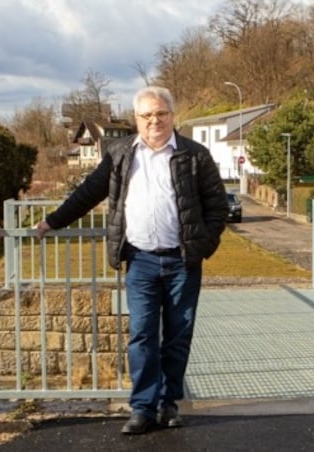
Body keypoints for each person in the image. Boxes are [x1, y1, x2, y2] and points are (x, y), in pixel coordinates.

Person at [35, 86, 228, 435]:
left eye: (161, 114)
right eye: (146, 115)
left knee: (177, 335)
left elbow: (218, 207)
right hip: (139, 261)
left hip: (182, 262)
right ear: (137, 119)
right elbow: (88, 192)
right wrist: (52, 221)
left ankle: (169, 404)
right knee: (141, 335)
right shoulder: (121, 154)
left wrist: (204, 246)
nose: (154, 120)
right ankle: (142, 407)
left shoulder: (195, 155)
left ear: (173, 116)